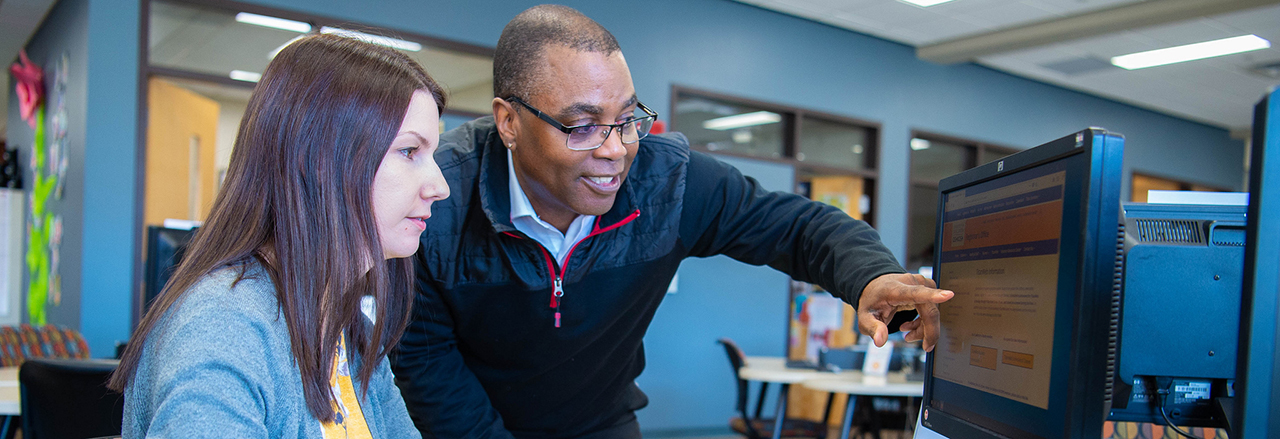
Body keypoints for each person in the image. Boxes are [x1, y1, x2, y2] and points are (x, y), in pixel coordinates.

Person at [391, 5, 954, 438]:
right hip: (470, 423)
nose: (615, 150)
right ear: (508, 122)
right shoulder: (437, 201)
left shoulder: (667, 182)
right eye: (582, 125)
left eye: (628, 118)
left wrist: (870, 276)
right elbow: (422, 358)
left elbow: (797, 226)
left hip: (601, 421)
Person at [108, 33, 450, 438]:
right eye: (409, 151)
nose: (440, 185)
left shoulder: (341, 320)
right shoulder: (224, 326)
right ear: (320, 160)